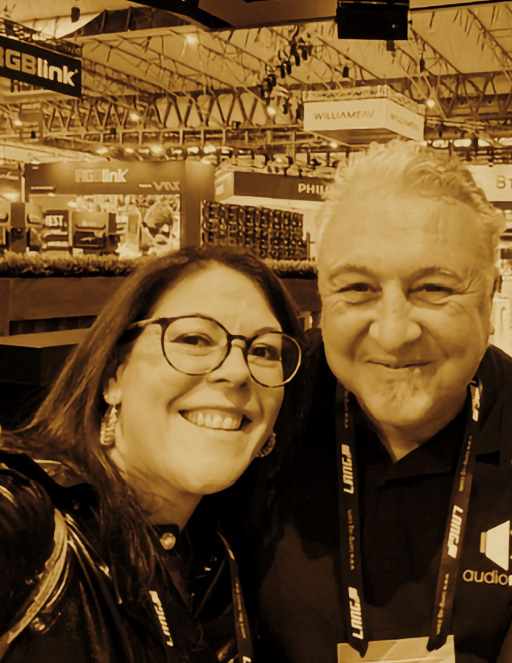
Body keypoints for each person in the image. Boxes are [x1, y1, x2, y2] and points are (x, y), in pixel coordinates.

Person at [252, 140, 512, 663]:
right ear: (323, 294)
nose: (393, 334)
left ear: (491, 298)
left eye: (434, 288)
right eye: (357, 288)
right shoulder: (263, 404)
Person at [0, 245, 304, 663]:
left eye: (264, 351)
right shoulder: (29, 519)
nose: (237, 371)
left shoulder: (221, 558)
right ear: (113, 374)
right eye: (194, 339)